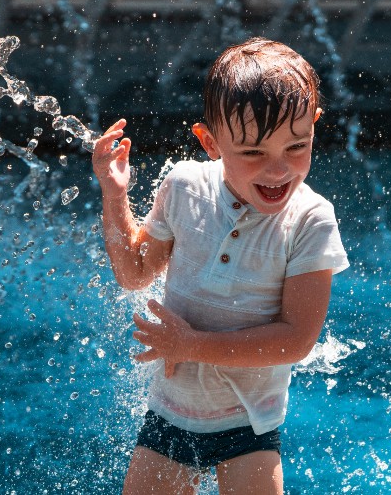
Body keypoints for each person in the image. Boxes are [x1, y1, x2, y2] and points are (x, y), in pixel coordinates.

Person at [91, 38, 349, 494]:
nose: (278, 170)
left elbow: (296, 340)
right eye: (253, 153)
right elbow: (134, 273)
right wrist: (115, 197)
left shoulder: (311, 220)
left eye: (297, 146)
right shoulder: (183, 186)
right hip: (170, 413)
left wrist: (191, 345)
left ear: (314, 126)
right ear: (211, 142)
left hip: (249, 425)